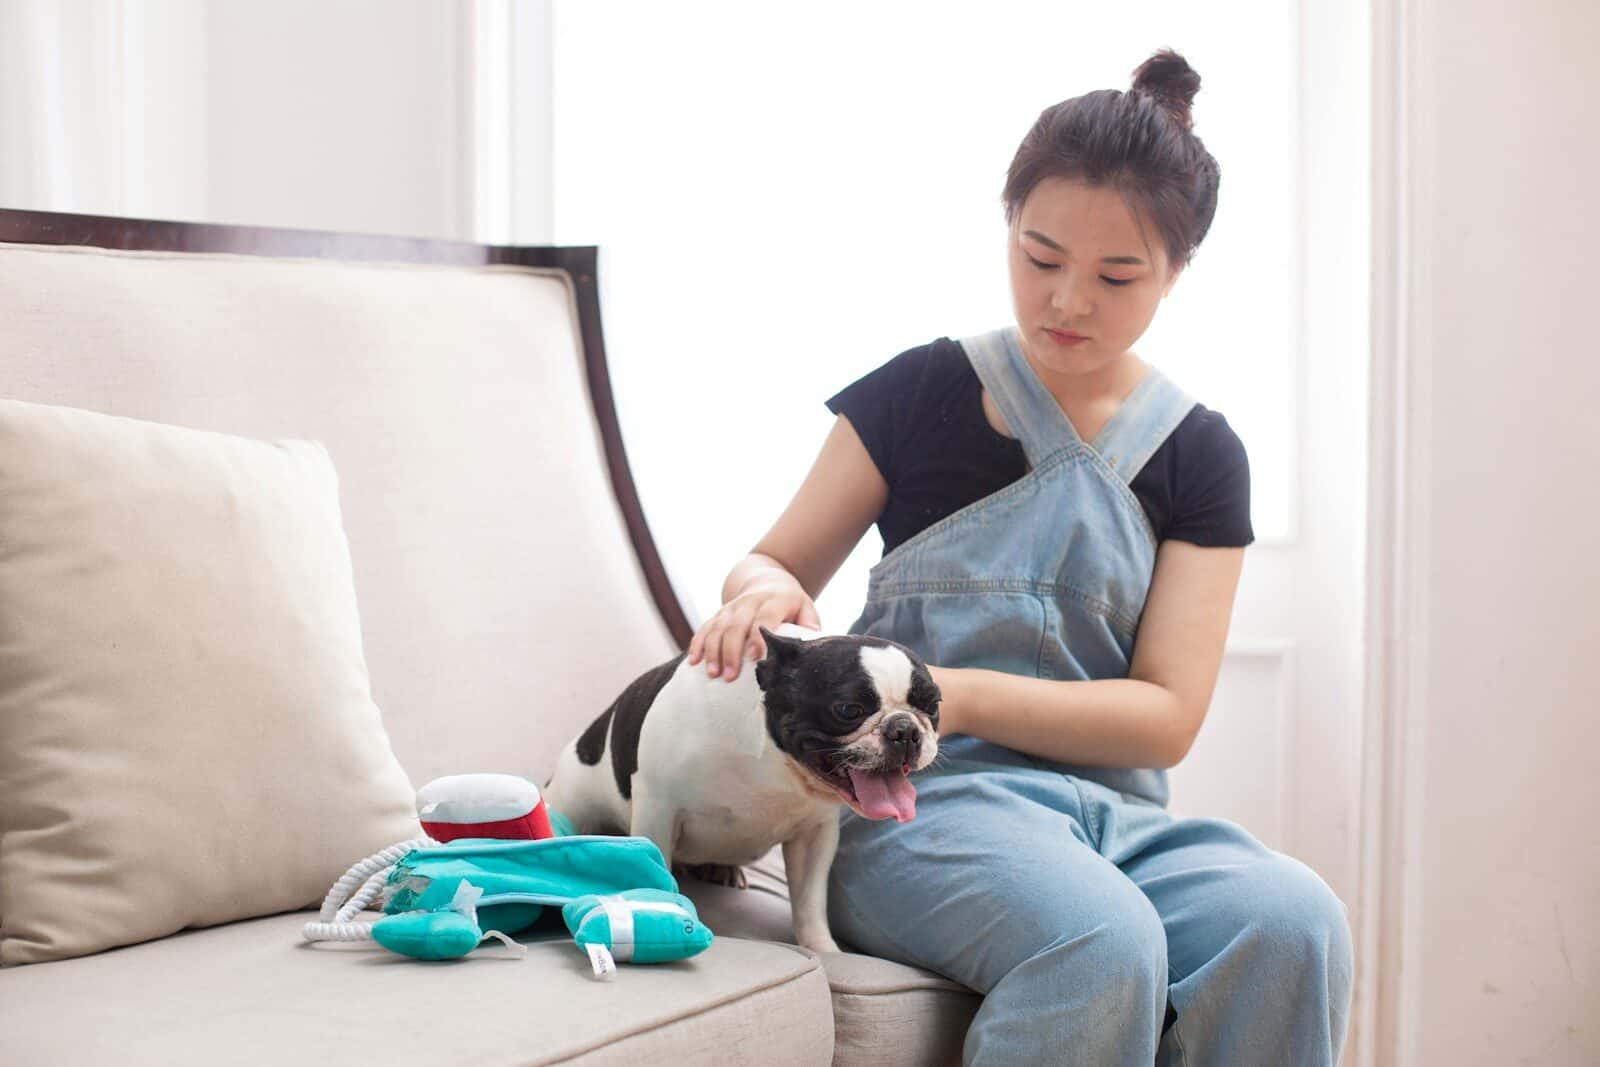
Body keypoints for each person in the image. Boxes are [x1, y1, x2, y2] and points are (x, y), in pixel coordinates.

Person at [685, 49, 1353, 1066]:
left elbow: (1165, 714)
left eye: (1116, 274)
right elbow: (775, 559)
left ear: (1176, 272)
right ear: (1007, 229)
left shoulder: (1200, 451)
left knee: (1292, 919)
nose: (1067, 301)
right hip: (912, 806)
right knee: (1097, 937)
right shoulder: (919, 391)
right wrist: (764, 587)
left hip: (1109, 817)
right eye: (1040, 258)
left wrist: (954, 691)